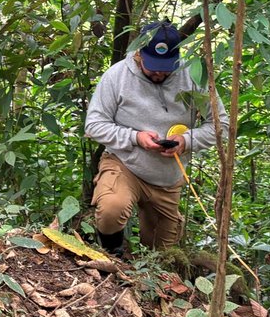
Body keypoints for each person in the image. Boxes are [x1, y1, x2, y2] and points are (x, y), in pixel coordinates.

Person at [85, 20, 228, 256]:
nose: (160, 72)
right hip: (125, 163)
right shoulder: (117, 76)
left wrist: (187, 141)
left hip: (168, 176)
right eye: (153, 66)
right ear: (139, 54)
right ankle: (113, 256)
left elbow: (220, 124)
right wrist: (135, 137)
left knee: (163, 254)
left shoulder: (193, 75)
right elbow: (94, 125)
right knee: (112, 208)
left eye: (166, 66)